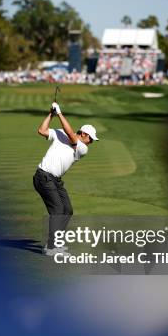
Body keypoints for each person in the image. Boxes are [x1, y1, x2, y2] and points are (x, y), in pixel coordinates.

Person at [34, 102, 99, 256]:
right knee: (57, 210)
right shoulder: (60, 134)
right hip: (43, 176)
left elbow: (70, 135)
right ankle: (51, 247)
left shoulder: (82, 149)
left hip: (55, 180)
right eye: (91, 138)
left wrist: (60, 113)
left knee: (67, 210)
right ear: (84, 134)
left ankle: (56, 242)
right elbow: (41, 130)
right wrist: (51, 114)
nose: (91, 142)